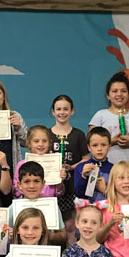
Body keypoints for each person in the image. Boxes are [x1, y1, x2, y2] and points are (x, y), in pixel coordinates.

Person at [50, 94, 88, 245]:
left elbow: (85, 159)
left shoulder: (78, 135)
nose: (62, 112)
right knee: (52, 227)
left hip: (72, 186)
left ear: (72, 111)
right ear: (53, 111)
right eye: (58, 109)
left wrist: (72, 167)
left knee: (70, 225)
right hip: (52, 188)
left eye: (66, 109)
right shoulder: (47, 134)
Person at [88, 72, 129, 164]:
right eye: (114, 91)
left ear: (128, 94)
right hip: (107, 168)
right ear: (108, 95)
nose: (119, 94)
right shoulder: (100, 115)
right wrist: (110, 141)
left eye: (123, 91)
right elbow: (91, 142)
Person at [9, 161, 67, 244]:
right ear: (19, 185)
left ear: (43, 184)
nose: (32, 186)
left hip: (46, 252)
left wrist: (47, 235)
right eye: (27, 181)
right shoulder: (13, 208)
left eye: (36, 181)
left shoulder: (52, 206)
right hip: (21, 253)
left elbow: (63, 235)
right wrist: (11, 234)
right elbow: (6, 233)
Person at [12, 125, 66, 199]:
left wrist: (60, 181)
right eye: (36, 141)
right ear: (29, 143)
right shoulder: (22, 164)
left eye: (44, 141)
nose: (41, 144)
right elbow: (16, 191)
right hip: (27, 204)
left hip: (48, 204)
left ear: (49, 143)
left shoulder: (54, 163)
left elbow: (59, 193)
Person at [74, 126, 113, 204]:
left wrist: (105, 190)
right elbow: (79, 195)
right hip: (88, 211)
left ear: (109, 146)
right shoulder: (81, 167)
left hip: (109, 212)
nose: (99, 149)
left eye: (103, 145)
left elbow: (120, 196)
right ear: (89, 147)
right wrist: (84, 177)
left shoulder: (114, 169)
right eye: (95, 145)